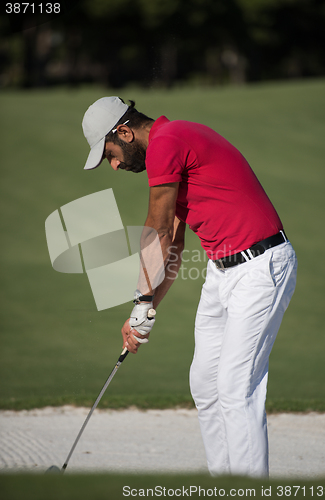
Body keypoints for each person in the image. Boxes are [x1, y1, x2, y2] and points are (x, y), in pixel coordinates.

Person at [81, 96, 298, 477]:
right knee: (205, 383)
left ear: (125, 131)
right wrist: (146, 311)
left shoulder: (169, 140)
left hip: (261, 266)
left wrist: (139, 302)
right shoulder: (172, 146)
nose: (114, 165)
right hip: (222, 271)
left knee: (235, 387)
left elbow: (158, 229)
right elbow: (175, 246)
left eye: (110, 154)